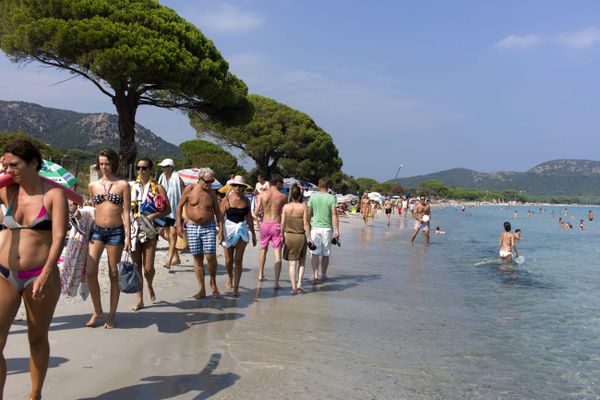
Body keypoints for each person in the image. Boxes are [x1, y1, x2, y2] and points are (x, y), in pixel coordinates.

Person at [0, 139, 68, 400]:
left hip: (40, 274)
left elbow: (60, 236)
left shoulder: (53, 195)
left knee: (37, 337)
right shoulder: (8, 192)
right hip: (5, 273)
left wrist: (47, 272)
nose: (9, 170)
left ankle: (35, 394)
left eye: (14, 165)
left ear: (34, 164)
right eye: (6, 165)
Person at [86, 148, 131, 328]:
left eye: (107, 163)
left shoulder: (123, 185)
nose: (104, 167)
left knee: (114, 273)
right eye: (101, 164)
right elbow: (93, 209)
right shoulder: (92, 186)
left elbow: (127, 211)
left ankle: (112, 316)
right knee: (90, 271)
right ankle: (98, 310)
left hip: (116, 231)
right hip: (97, 231)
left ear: (114, 163)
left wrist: (128, 236)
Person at [129, 158, 171, 311]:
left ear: (150, 170)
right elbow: (125, 208)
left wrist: (153, 216)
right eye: (138, 168)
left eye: (144, 168)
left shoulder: (158, 187)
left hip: (150, 230)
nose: (141, 171)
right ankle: (139, 298)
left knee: (148, 268)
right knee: (136, 266)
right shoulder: (132, 186)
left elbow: (168, 209)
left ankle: (150, 284)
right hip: (134, 229)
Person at [177, 168, 223, 298]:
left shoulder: (212, 193)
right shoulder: (190, 189)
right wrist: (179, 225)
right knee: (197, 257)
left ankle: (213, 282)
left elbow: (218, 212)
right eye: (207, 181)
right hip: (192, 226)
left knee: (211, 256)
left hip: (209, 226)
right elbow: (179, 206)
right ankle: (201, 288)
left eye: (211, 181)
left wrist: (221, 230)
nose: (209, 184)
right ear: (199, 179)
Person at [220, 175, 256, 297]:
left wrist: (254, 234)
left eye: (240, 186)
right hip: (228, 230)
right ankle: (230, 277)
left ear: (243, 188)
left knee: (238, 259)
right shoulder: (226, 200)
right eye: (235, 185)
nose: (237, 188)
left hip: (242, 229)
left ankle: (236, 288)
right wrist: (220, 233)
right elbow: (220, 218)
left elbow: (250, 218)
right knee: (229, 260)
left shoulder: (246, 201)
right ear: (232, 186)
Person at [255, 175, 287, 288]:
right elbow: (284, 213)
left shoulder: (262, 195)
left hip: (265, 224)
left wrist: (259, 224)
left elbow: (255, 212)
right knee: (277, 253)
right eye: (282, 183)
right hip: (276, 225)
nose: (282, 185)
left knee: (263, 249)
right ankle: (276, 282)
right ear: (278, 183)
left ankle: (260, 274)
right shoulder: (283, 196)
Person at [308, 178, 339, 284]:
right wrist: (337, 230)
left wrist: (307, 227)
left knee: (315, 253)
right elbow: (334, 215)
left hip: (315, 228)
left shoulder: (313, 197)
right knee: (326, 254)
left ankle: (315, 274)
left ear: (318, 185)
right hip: (327, 229)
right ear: (328, 186)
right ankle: (324, 274)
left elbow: (308, 214)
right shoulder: (331, 198)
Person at [281, 185, 311, 295]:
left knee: (292, 264)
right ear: (300, 194)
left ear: (290, 194)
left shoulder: (286, 207)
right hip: (300, 236)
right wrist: (309, 238)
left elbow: (282, 223)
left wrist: (281, 235)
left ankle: (293, 287)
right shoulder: (303, 207)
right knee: (302, 262)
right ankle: (299, 284)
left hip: (289, 236)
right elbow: (306, 224)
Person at [157, 158, 185, 269]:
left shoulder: (178, 179)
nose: (164, 168)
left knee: (172, 234)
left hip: (176, 211)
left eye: (166, 166)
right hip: (165, 210)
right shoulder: (161, 178)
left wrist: (184, 212)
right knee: (165, 234)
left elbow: (184, 195)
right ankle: (176, 257)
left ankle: (169, 259)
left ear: (171, 167)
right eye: (163, 167)